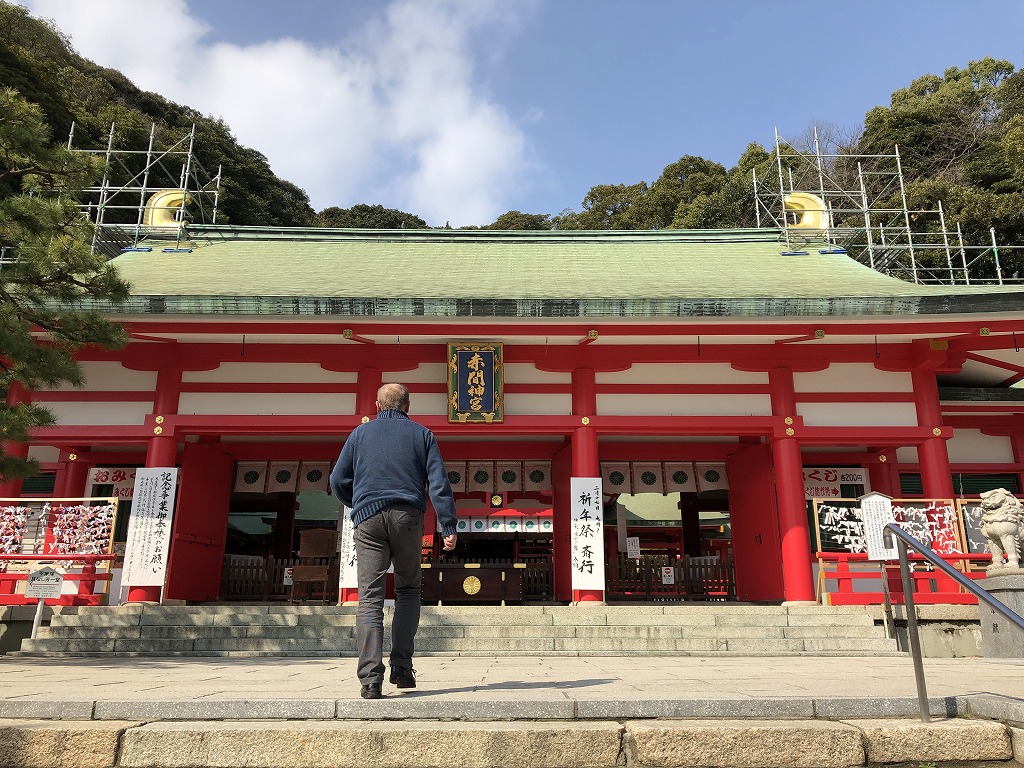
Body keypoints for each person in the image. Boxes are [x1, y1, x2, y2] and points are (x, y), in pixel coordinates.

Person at [329, 383, 458, 699]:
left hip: (368, 518)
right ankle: (401, 667)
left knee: (370, 598)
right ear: (408, 406)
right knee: (408, 590)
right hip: (407, 517)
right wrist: (448, 524)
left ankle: (370, 681)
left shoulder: (359, 434)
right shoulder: (423, 435)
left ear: (376, 405)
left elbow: (337, 479)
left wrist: (359, 503)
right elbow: (438, 483)